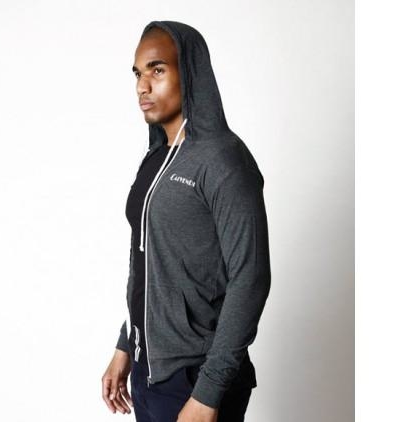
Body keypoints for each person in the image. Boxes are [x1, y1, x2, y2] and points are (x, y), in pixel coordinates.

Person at [101, 20, 271, 422]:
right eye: (138, 74)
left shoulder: (223, 160)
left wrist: (208, 393)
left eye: (157, 70)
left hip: (196, 378)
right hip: (148, 372)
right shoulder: (156, 159)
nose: (143, 86)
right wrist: (126, 344)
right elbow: (147, 262)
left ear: (190, 72)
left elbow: (250, 277)